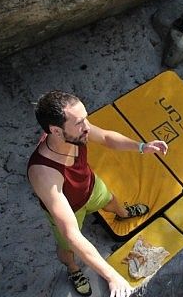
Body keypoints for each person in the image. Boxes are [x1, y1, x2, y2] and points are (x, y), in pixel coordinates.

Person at [27, 90, 168, 297]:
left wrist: (142, 146)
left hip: (90, 186)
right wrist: (112, 276)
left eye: (85, 118)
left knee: (112, 200)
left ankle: (124, 213)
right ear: (56, 131)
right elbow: (72, 234)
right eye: (79, 123)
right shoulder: (43, 172)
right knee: (67, 247)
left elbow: (106, 137)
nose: (87, 127)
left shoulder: (77, 132)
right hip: (71, 209)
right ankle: (73, 269)